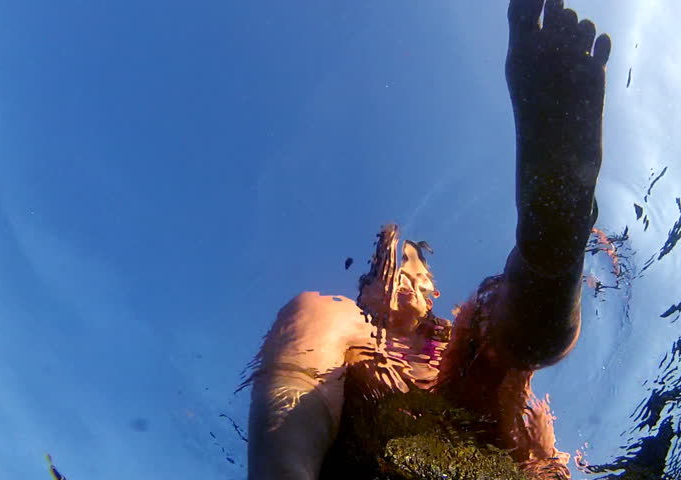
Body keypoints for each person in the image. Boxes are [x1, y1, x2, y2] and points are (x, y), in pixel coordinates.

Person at [246, 0, 610, 478]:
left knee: (489, 320)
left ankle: (551, 244)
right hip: (364, 459)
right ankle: (552, 245)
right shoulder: (346, 323)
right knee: (312, 311)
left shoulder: (459, 339)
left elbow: (543, 454)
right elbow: (294, 374)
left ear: (432, 292)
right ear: (366, 288)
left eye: (411, 266)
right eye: (385, 268)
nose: (396, 272)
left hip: (491, 453)